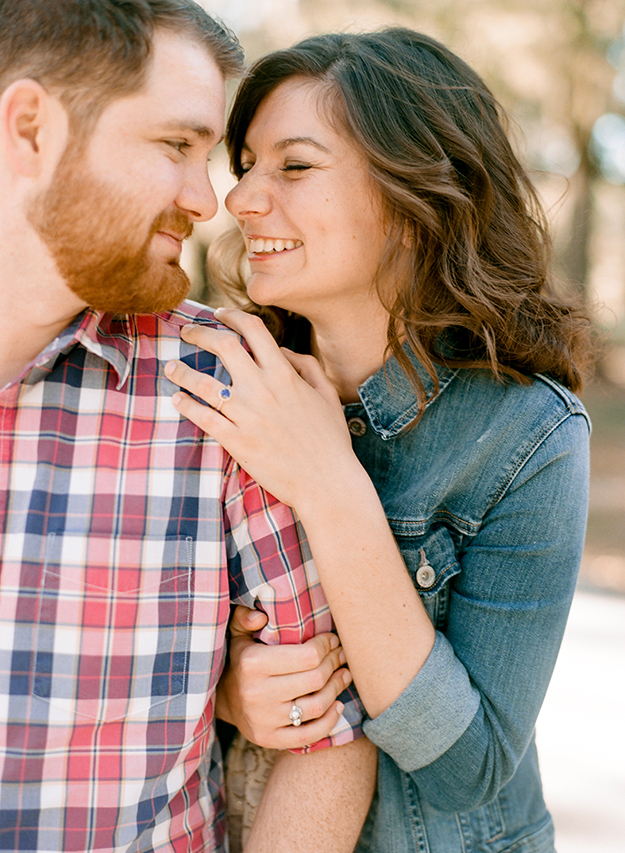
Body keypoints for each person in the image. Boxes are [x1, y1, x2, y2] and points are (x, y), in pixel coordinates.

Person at [165, 27, 593, 853]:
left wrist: (330, 486)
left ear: (411, 202)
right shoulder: (214, 382)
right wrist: (227, 691)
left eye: (294, 166)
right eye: (245, 164)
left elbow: (469, 766)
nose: (239, 198)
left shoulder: (528, 433)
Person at [0, 3, 377, 852]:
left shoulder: (218, 378)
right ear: (30, 130)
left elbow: (329, 729)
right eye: (175, 145)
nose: (209, 202)